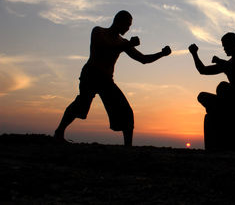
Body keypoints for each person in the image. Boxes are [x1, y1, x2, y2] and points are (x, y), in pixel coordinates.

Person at [54, 10, 171, 146]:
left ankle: (128, 146)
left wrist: (162, 54)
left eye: (129, 26)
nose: (128, 29)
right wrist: (128, 45)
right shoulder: (98, 31)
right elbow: (105, 46)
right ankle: (59, 132)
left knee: (125, 111)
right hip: (91, 74)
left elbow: (143, 59)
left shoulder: (123, 42)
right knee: (81, 105)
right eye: (127, 25)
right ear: (118, 21)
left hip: (106, 80)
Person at [188, 32, 235, 151]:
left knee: (223, 87)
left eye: (225, 46)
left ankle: (229, 121)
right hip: (229, 102)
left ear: (234, 44)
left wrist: (221, 62)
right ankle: (222, 120)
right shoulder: (227, 64)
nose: (224, 49)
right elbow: (203, 70)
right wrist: (194, 54)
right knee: (202, 96)